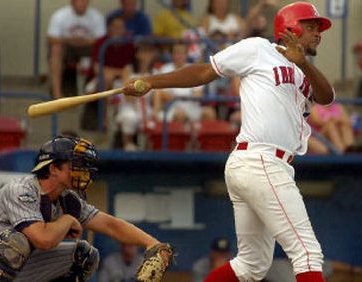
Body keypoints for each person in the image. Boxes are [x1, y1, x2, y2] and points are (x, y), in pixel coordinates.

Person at [124, 2, 334, 281]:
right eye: (310, 27)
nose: (317, 33)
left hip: (263, 165)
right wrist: (152, 81)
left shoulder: (305, 72)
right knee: (307, 252)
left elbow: (327, 97)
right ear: (290, 29)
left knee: (252, 264)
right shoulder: (259, 49)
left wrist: (303, 63)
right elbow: (204, 72)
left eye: (318, 28)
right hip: (261, 159)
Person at [0, 136, 168, 281]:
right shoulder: (22, 190)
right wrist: (67, 220)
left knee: (84, 255)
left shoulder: (66, 198)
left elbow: (110, 225)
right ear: (53, 168)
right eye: (75, 164)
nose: (83, 170)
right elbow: (43, 239)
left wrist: (152, 243)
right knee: (15, 241)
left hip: (9, 269)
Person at [47, 0, 106, 99]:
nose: (82, 3)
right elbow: (50, 38)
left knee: (102, 50)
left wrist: (85, 41)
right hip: (67, 47)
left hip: (88, 47)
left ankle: (98, 91)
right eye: (79, 1)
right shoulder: (60, 15)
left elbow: (102, 39)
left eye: (85, 1)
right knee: (56, 49)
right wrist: (68, 40)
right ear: (72, 2)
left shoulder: (97, 16)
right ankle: (57, 93)